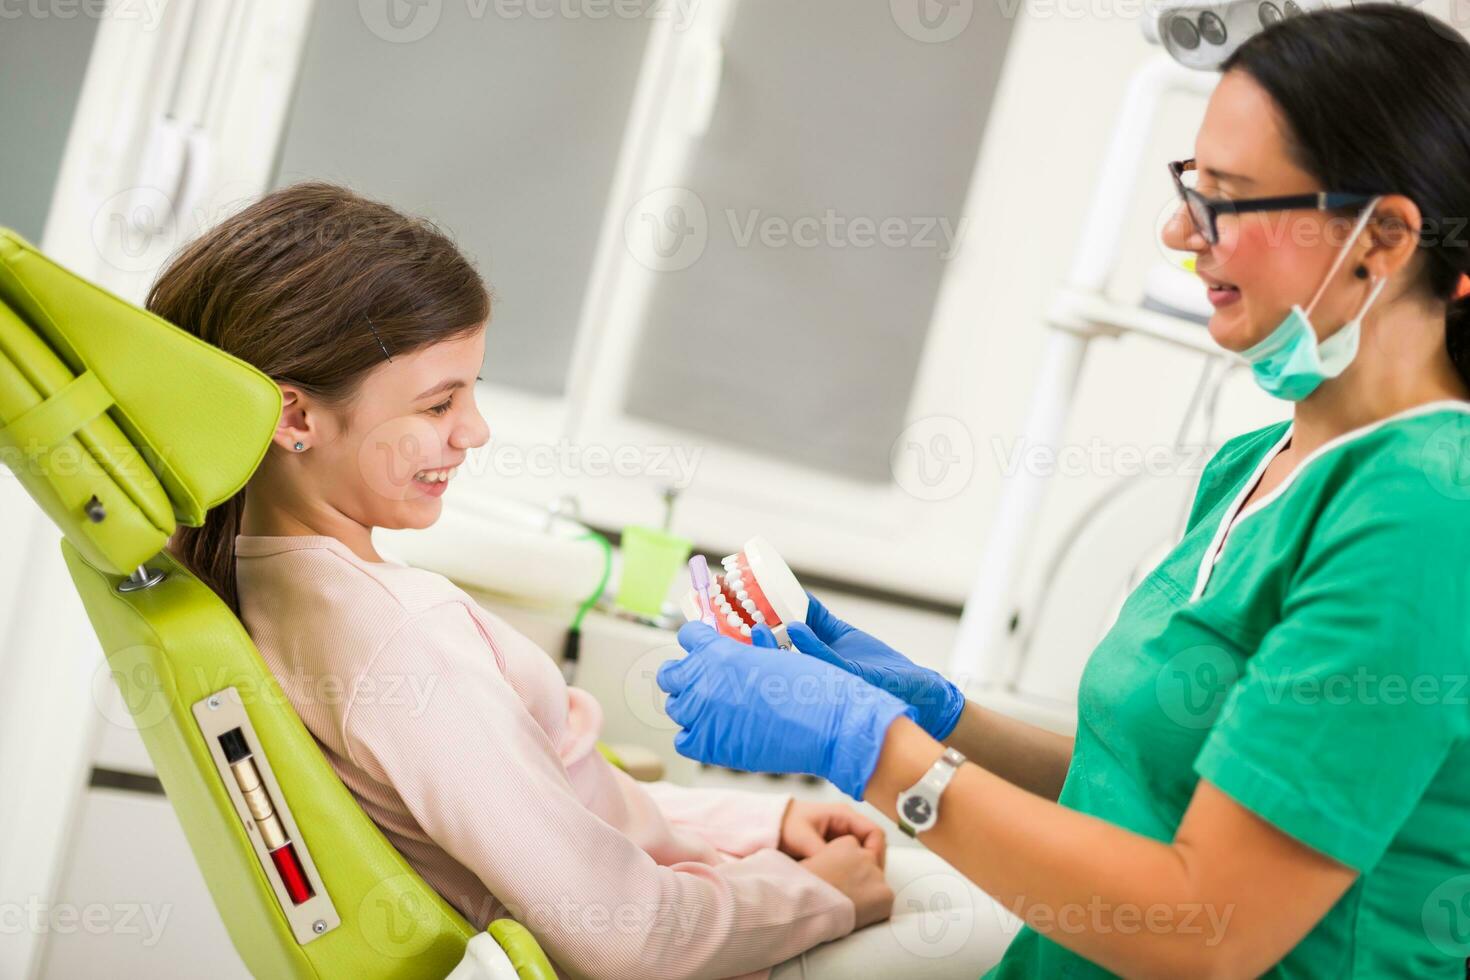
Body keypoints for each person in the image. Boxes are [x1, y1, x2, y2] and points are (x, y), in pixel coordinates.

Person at [658, 6, 1470, 976]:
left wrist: (874, 750)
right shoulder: (1257, 464)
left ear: (1381, 238)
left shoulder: (1426, 517)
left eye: (1226, 199)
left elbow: (1206, 927)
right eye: (1188, 186)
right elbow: (1131, 793)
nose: (1179, 231)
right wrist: (934, 716)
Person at [159, 182, 1010, 978]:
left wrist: (764, 824)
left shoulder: (267, 588)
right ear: (296, 416)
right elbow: (622, 932)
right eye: (437, 405)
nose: (475, 431)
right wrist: (823, 893)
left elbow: (554, 817)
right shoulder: (402, 641)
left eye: (473, 393)